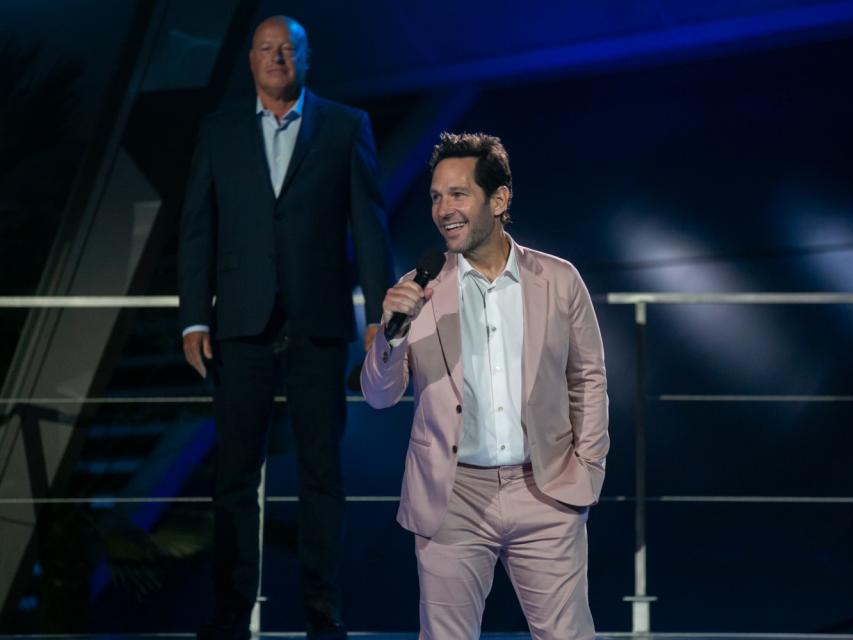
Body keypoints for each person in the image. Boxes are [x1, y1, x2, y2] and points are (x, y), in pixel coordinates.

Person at [178, 15, 393, 640]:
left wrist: (381, 320)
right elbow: (197, 229)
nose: (277, 58)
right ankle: (229, 613)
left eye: (288, 49)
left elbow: (370, 230)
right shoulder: (218, 132)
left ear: (306, 58)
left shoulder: (346, 126)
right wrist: (194, 315)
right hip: (238, 325)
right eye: (267, 49)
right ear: (250, 60)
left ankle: (322, 612)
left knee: (323, 473)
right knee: (234, 476)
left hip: (318, 323)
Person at [361, 132, 609, 639]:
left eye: (458, 194)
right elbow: (378, 395)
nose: (442, 208)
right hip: (451, 496)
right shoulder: (418, 289)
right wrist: (392, 332)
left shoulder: (559, 280)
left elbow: (588, 379)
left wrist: (585, 470)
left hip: (545, 489)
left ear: (499, 199)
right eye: (435, 196)